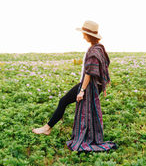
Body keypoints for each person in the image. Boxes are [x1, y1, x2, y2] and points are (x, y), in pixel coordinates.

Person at [32, 20, 118, 153]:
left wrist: (82, 90)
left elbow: (89, 72)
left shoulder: (94, 51)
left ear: (89, 35)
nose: (83, 35)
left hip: (89, 86)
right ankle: (53, 128)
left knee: (64, 101)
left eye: (84, 33)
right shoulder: (99, 48)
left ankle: (47, 128)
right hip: (94, 85)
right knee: (87, 110)